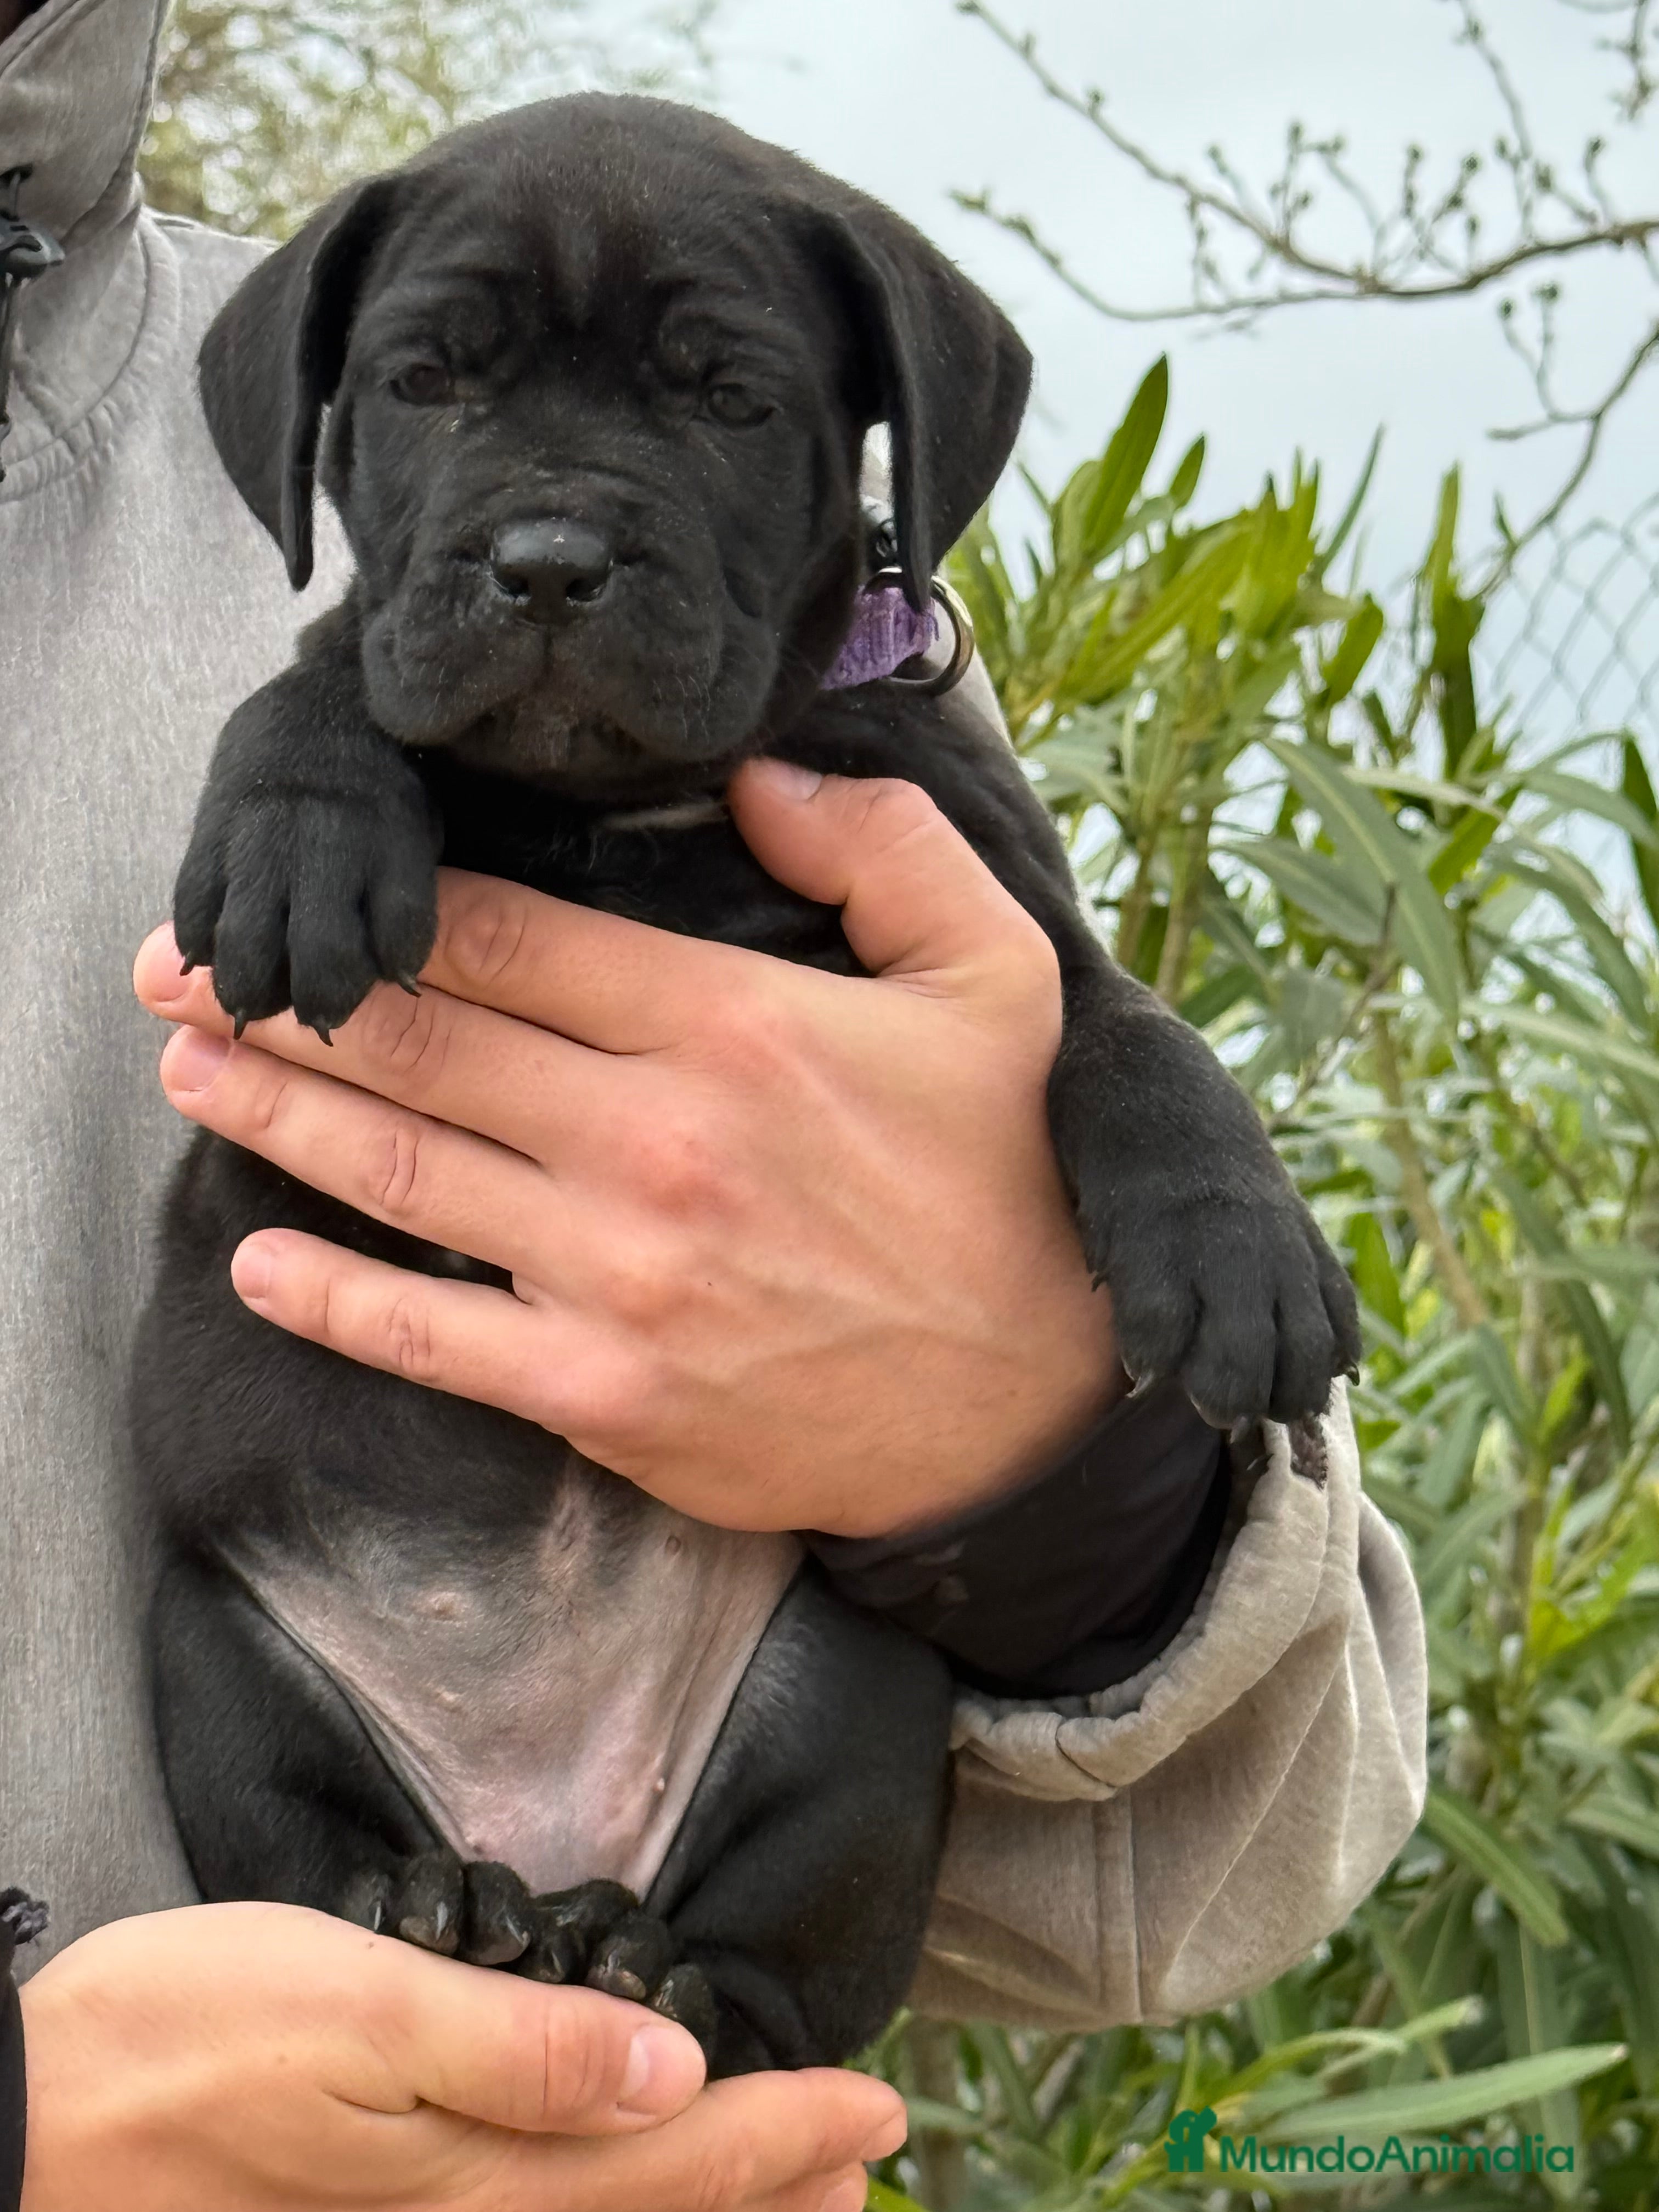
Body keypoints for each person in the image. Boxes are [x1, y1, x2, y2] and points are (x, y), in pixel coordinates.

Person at [0, 0, 1429, 2204]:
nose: (556, 532)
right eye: (447, 387)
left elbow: (1250, 1846)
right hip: (314, 1683)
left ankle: (717, 1993)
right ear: (312, 427)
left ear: (883, 440)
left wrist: (1054, 1462)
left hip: (719, 1846)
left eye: (717, 395)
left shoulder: (876, 709)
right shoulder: (318, 694)